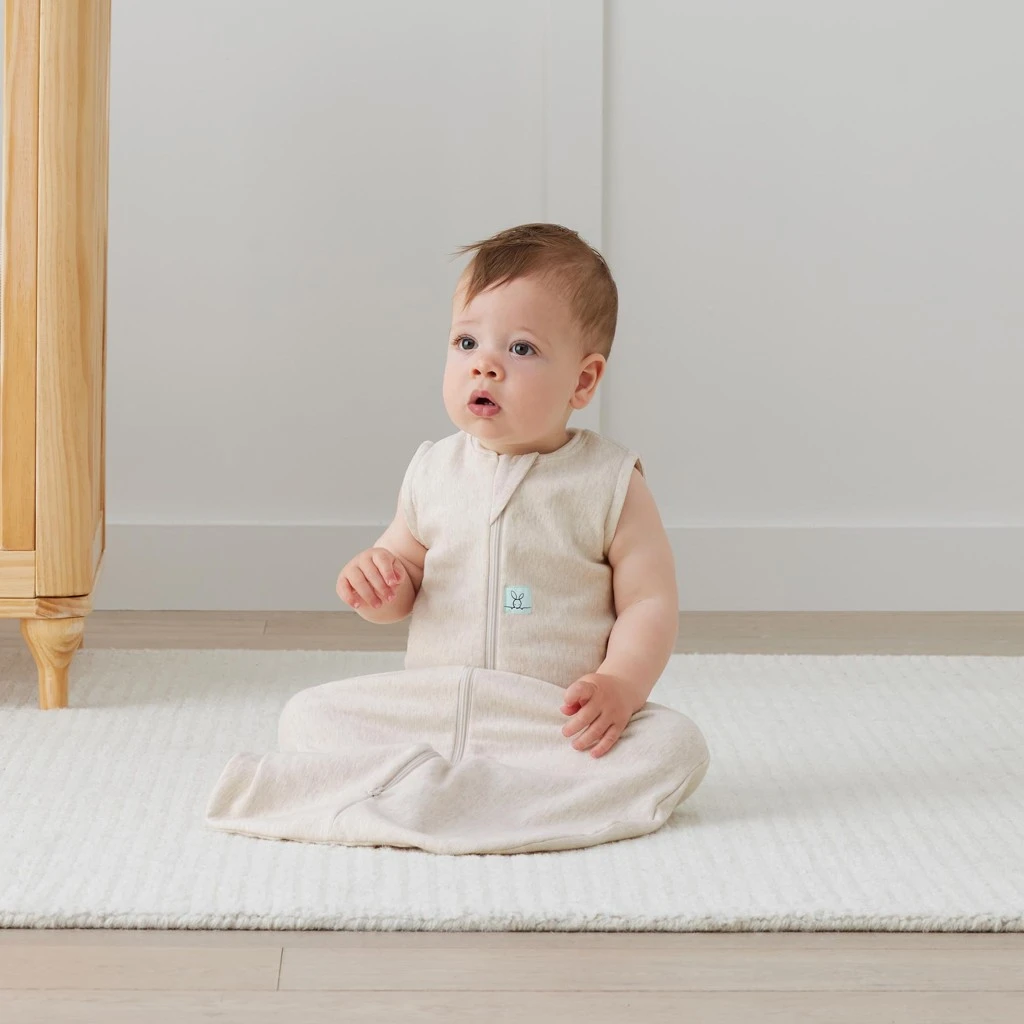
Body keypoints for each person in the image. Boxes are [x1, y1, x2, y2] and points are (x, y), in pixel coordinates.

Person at [206, 224, 710, 855]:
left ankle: (453, 795)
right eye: (466, 341)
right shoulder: (432, 470)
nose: (485, 364)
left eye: (521, 349)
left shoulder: (608, 481)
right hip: (433, 706)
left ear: (583, 382)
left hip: (546, 720)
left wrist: (620, 685)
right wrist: (377, 581)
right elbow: (402, 578)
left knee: (675, 746)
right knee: (305, 715)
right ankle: (479, 797)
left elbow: (649, 602)